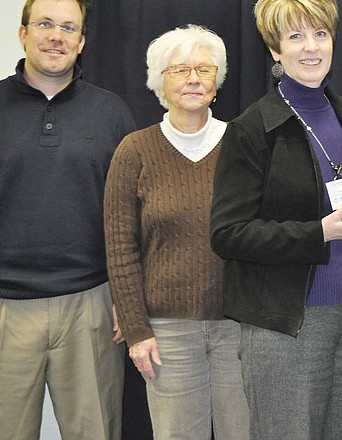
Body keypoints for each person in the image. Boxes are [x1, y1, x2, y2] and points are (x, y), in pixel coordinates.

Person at [0, 0, 135, 439]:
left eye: (69, 27)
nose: (56, 36)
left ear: (82, 42)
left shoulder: (112, 113)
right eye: (45, 24)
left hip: (91, 307)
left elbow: (129, 216)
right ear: (23, 33)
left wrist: (128, 295)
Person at [210, 0, 342, 440]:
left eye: (320, 34)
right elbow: (227, 233)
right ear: (274, 50)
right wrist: (317, 232)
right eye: (296, 36)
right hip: (285, 324)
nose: (311, 48)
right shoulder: (252, 129)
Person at [104, 24, 249, 440]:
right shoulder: (134, 151)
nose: (192, 79)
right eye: (179, 70)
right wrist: (136, 330)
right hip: (166, 332)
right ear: (159, 83)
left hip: (238, 326)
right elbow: (119, 248)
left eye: (204, 69)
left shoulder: (243, 143)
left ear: (217, 82)